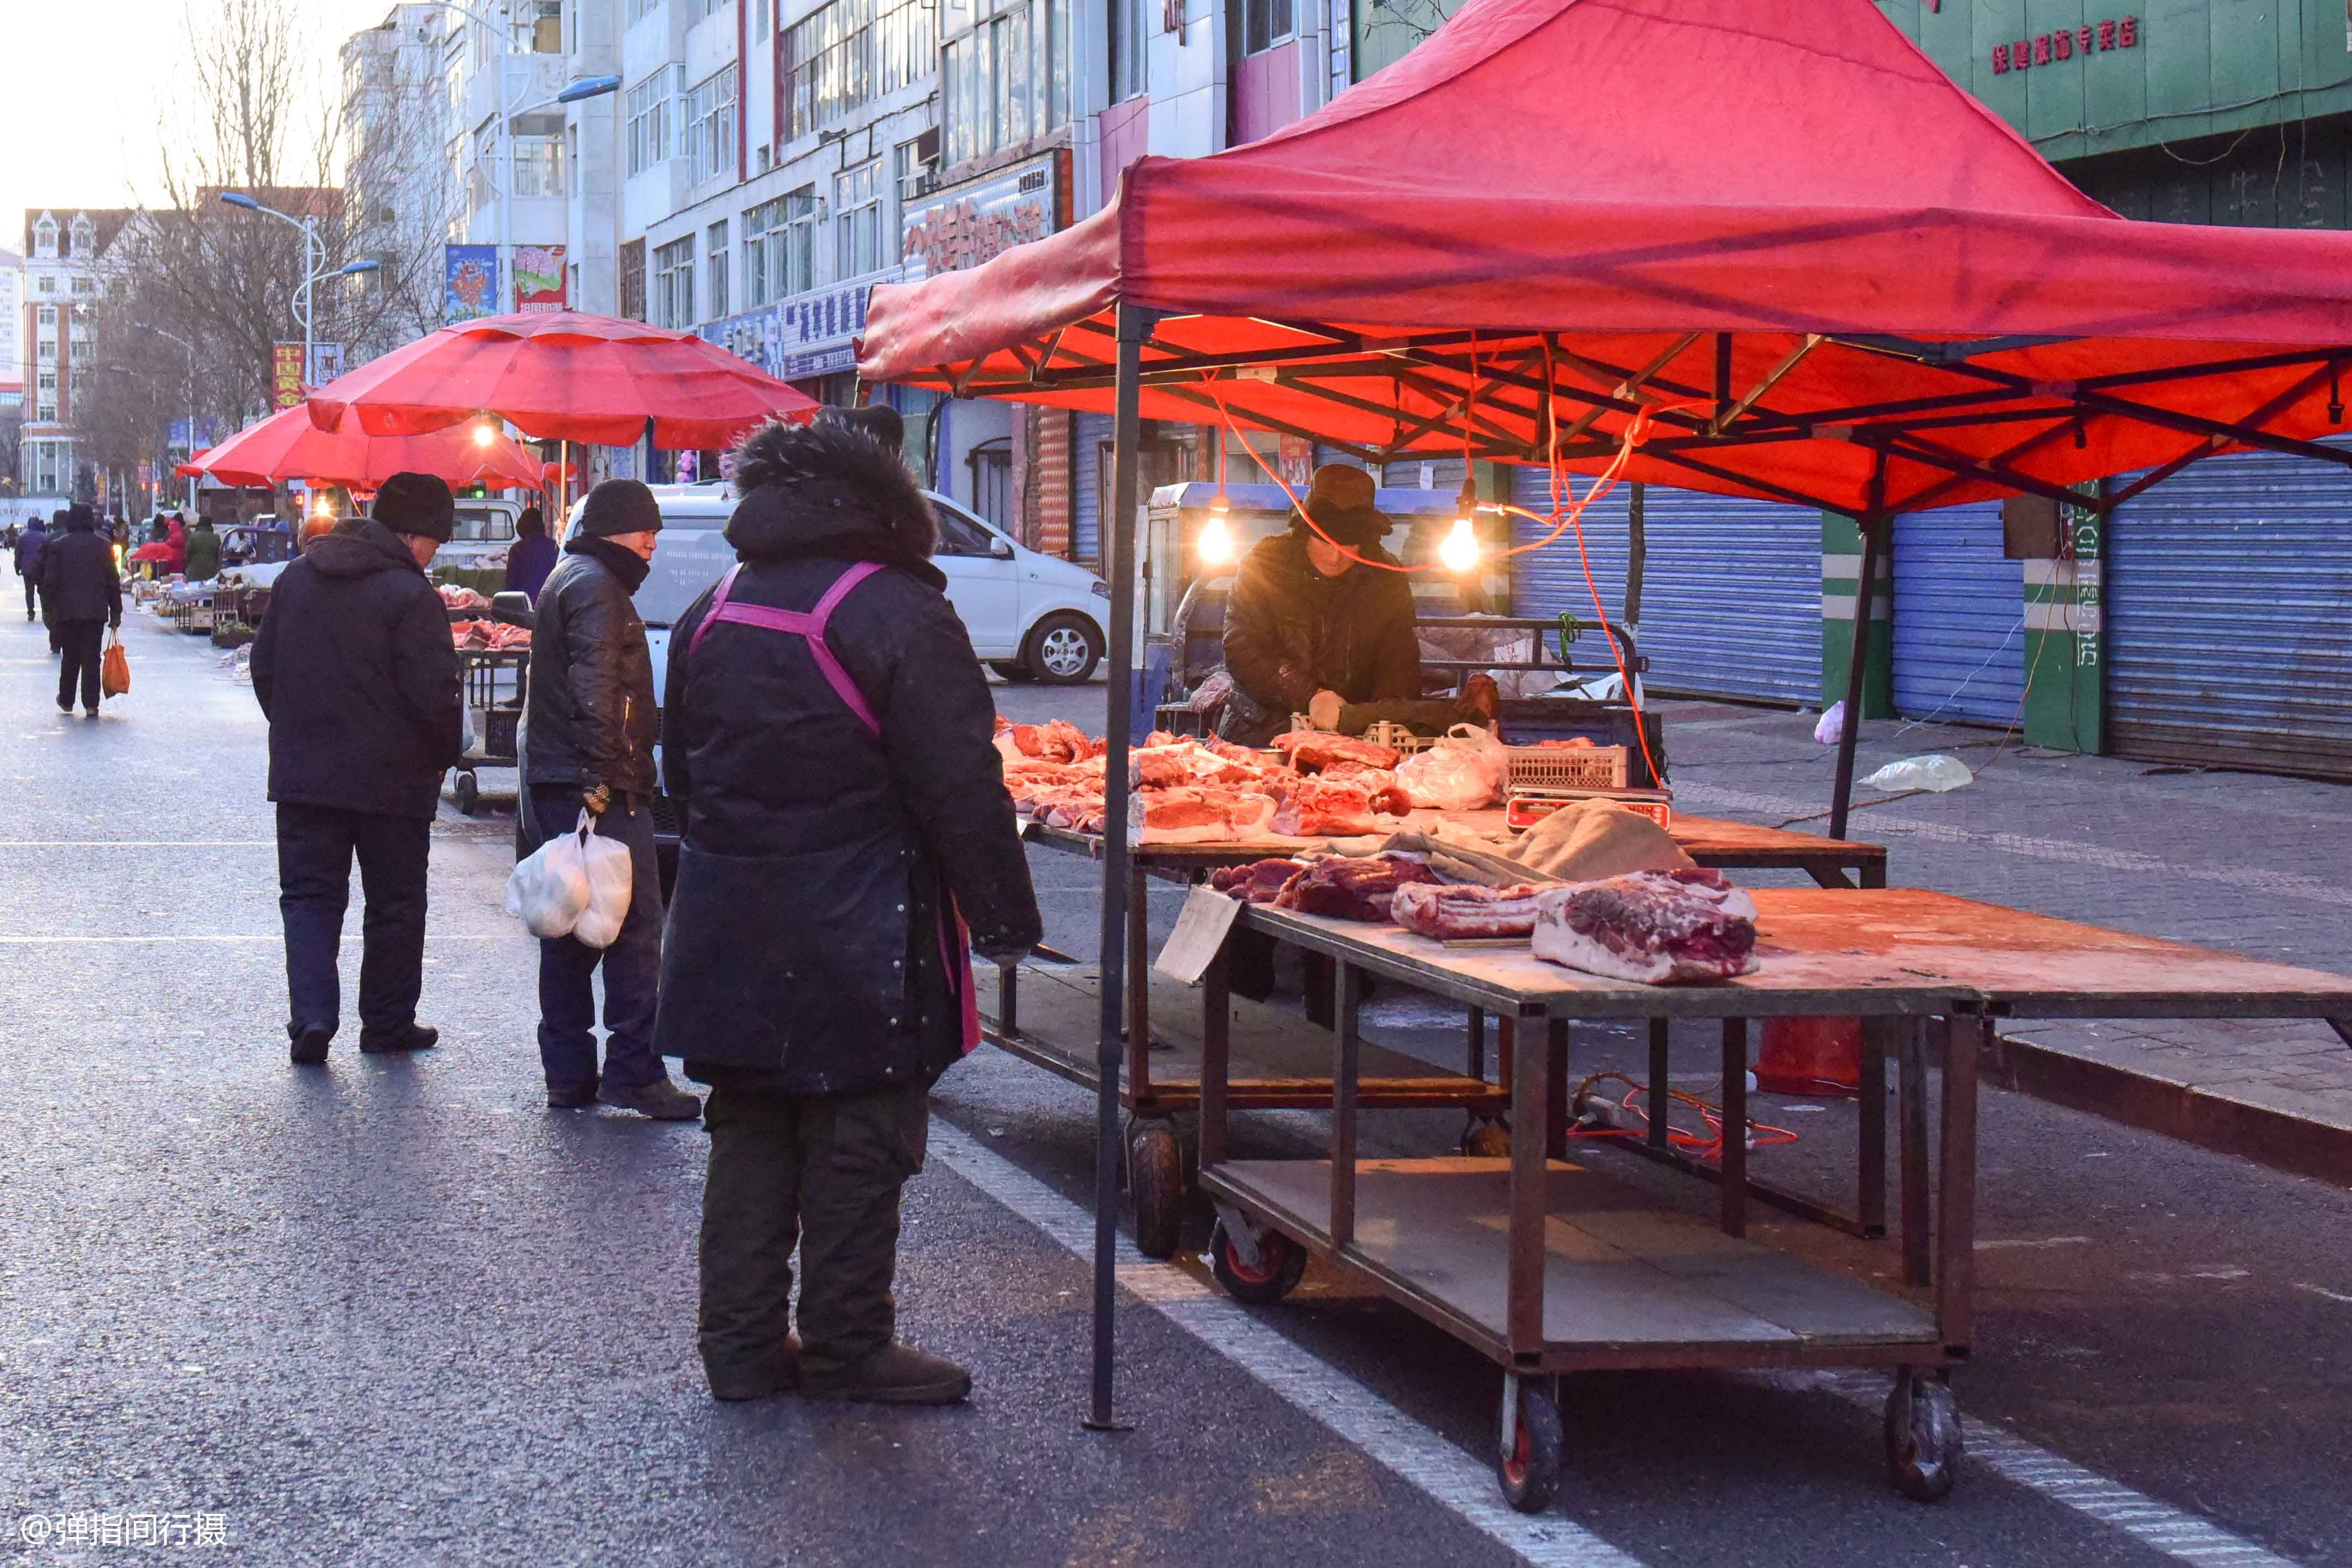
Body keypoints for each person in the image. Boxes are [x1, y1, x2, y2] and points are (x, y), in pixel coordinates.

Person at [657, 418, 1041, 1406]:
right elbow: (959, 778)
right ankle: (845, 1346)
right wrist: (1003, 916)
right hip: (862, 923)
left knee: (749, 1129)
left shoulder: (715, 606)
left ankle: (738, 1350)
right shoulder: (897, 609)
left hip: (729, 914)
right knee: (860, 1132)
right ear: (884, 509)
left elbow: (681, 773)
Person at [250, 473, 462, 1066]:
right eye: (433, 543)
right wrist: (439, 755)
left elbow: (264, 670)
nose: (432, 555)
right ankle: (387, 1023)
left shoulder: (296, 579)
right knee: (395, 903)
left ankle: (313, 1017)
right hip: (394, 781)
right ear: (413, 535)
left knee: (310, 899)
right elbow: (434, 694)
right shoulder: (411, 595)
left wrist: (297, 730)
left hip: (305, 776)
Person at [517, 480, 701, 1121]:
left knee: (567, 925)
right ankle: (634, 1071)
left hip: (560, 780)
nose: (652, 541)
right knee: (634, 932)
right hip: (599, 787)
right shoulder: (598, 586)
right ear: (611, 528)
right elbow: (598, 692)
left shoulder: (572, 574)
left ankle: (568, 1072)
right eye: (642, 528)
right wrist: (601, 785)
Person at [1215, 463, 1425, 746]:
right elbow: (1242, 647)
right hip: (1258, 735)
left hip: (1352, 741)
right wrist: (1311, 695)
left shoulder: (1387, 578)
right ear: (1306, 531)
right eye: (1324, 542)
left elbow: (1400, 661)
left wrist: (1378, 718)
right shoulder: (1265, 564)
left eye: (1349, 545)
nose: (1335, 557)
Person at [38, 505, 122, 716]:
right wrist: (116, 611)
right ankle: (91, 704)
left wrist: (48, 611)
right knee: (92, 657)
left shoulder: (58, 547)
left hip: (66, 612)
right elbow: (113, 581)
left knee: (70, 656)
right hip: (95, 611)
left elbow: (50, 582)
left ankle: (67, 699)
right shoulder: (103, 545)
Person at [503, 504, 557, 602]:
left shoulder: (517, 550)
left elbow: (510, 586)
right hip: (550, 604)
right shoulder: (554, 547)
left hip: (525, 605)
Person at [12, 512, 49, 622]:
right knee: (43, 591)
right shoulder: (44, 537)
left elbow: (18, 554)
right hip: (41, 569)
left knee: (29, 592)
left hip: (27, 569)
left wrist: (17, 567)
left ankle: (31, 613)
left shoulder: (23, 538)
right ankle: (44, 612)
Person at [183, 515, 221, 581]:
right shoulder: (216, 538)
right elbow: (219, 557)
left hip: (195, 572)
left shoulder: (193, 536)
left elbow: (187, 554)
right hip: (211, 572)